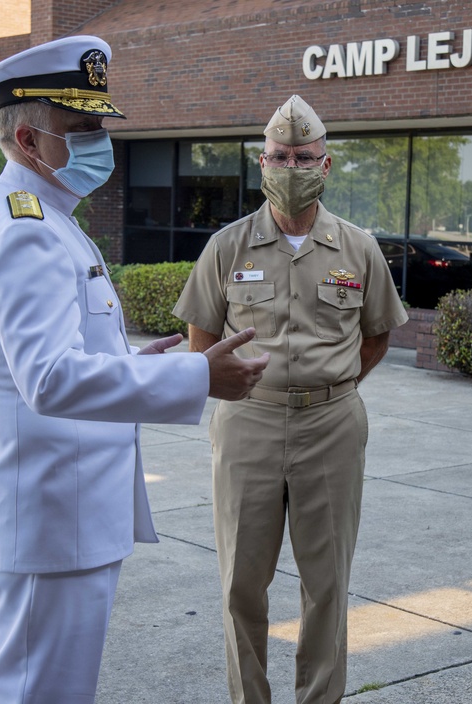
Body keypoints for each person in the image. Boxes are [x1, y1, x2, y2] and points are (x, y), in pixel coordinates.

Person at [0, 36, 269, 704]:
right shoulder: (26, 229)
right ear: (30, 140)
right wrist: (195, 377)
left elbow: (53, 363)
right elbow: (48, 379)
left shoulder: (44, 217)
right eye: (84, 127)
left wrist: (130, 363)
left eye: (102, 124)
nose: (102, 140)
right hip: (50, 519)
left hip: (59, 515)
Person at [173, 95, 408, 704]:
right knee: (240, 586)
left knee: (327, 585)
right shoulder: (228, 247)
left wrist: (328, 387)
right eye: (280, 156)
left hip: (332, 425)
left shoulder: (357, 249)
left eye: (304, 156)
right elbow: (204, 341)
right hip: (247, 424)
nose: (291, 165)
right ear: (262, 164)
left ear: (325, 166)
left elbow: (377, 337)